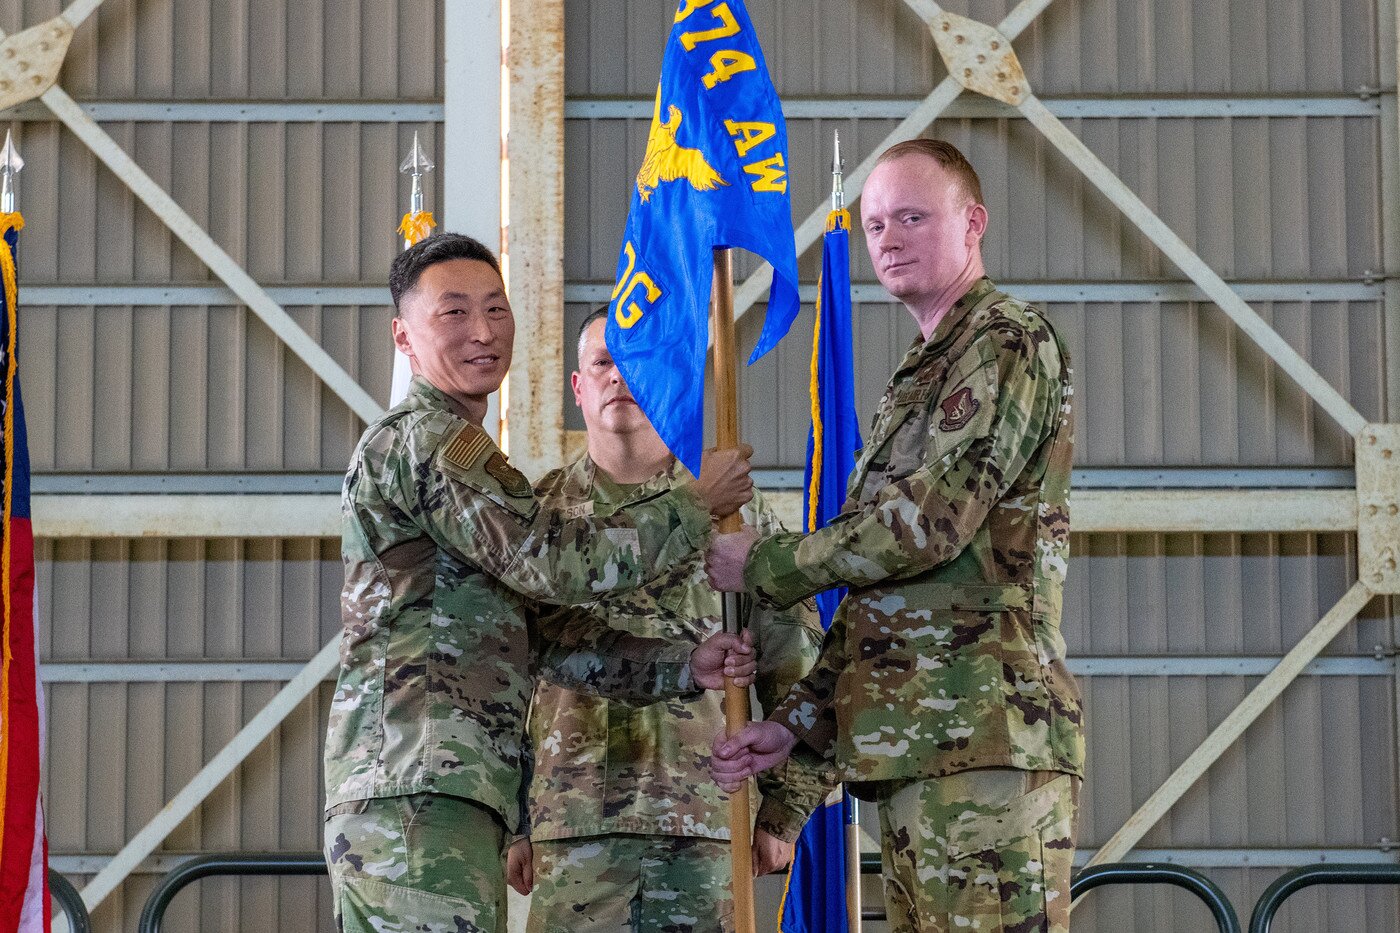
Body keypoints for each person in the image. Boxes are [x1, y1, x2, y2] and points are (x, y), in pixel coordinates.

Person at [323, 233, 759, 933]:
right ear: (403, 336)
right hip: (417, 782)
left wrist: (682, 666)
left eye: (496, 309)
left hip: (445, 787)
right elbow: (552, 563)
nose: (483, 331)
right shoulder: (429, 441)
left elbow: (547, 633)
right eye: (455, 313)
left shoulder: (463, 450)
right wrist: (692, 503)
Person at [706, 139, 1086, 933]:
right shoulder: (922, 370)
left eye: (913, 216)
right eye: (875, 223)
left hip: (984, 742)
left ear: (972, 222)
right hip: (921, 744)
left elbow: (926, 527)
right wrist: (798, 723)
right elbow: (883, 593)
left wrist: (767, 562)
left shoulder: (1005, 340)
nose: (888, 237)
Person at [504, 311, 834, 933]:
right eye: (602, 362)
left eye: (636, 362)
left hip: (706, 823)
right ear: (577, 386)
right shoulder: (541, 516)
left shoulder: (734, 510)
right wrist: (510, 822)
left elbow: (797, 663)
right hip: (574, 830)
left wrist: (784, 812)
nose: (618, 378)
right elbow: (506, 676)